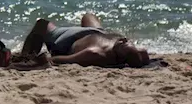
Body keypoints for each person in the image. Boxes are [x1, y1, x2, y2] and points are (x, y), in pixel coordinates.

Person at [20, 13, 150, 67]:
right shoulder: (139, 53)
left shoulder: (95, 53)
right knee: (89, 15)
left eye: (124, 43)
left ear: (120, 55)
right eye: (127, 41)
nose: (123, 40)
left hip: (67, 40)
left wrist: (37, 60)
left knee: (42, 24)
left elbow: (57, 60)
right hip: (98, 33)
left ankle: (24, 56)